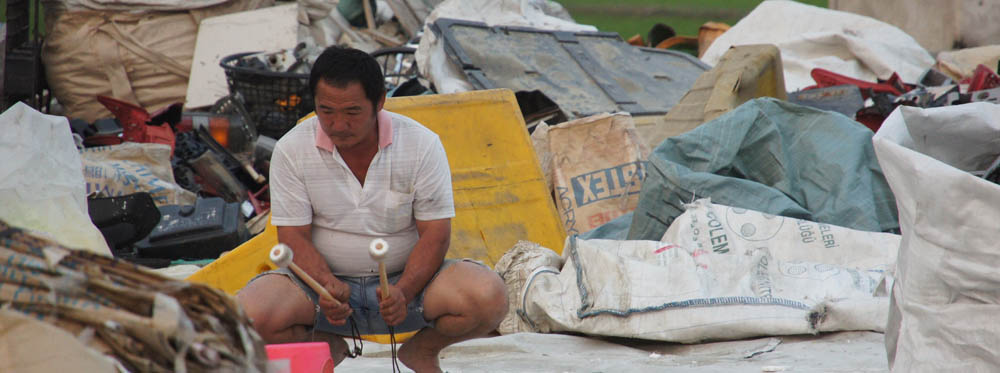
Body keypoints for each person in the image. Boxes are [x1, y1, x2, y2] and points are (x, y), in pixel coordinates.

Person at [237, 46, 507, 373]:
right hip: (321, 292)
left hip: (408, 285)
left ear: (379, 102)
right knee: (248, 314)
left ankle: (420, 352)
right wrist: (325, 283)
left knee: (488, 296)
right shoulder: (292, 149)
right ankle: (326, 346)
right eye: (326, 111)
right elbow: (293, 236)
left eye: (352, 112)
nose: (338, 125)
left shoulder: (421, 144)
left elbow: (435, 234)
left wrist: (405, 290)